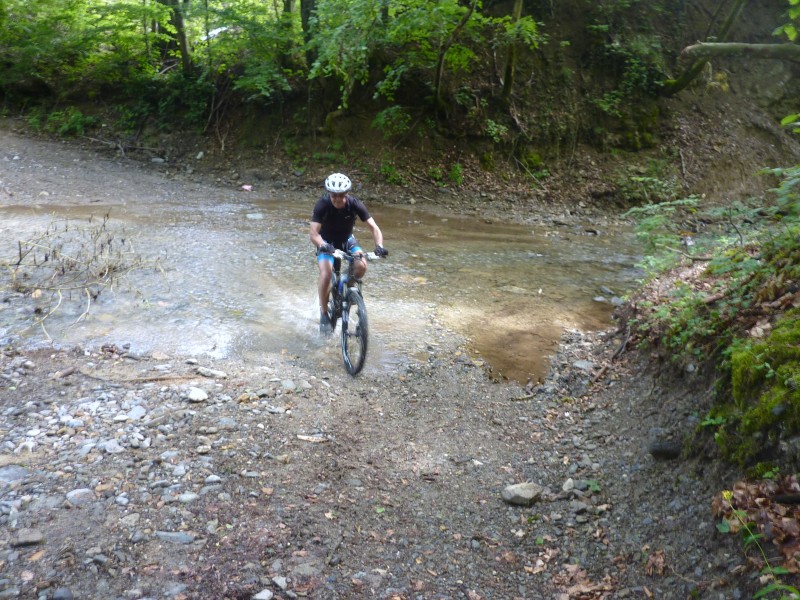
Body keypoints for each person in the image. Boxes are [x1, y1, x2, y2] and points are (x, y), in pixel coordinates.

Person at [310, 173, 388, 334]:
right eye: (334, 195)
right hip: (326, 244)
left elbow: (374, 228)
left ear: (346, 194)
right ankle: (324, 313)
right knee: (326, 273)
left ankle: (344, 290)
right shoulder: (322, 205)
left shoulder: (355, 204)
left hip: (347, 240)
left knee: (361, 265)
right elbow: (313, 234)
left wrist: (379, 246)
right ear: (329, 194)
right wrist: (323, 245)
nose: (337, 199)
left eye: (341, 195)